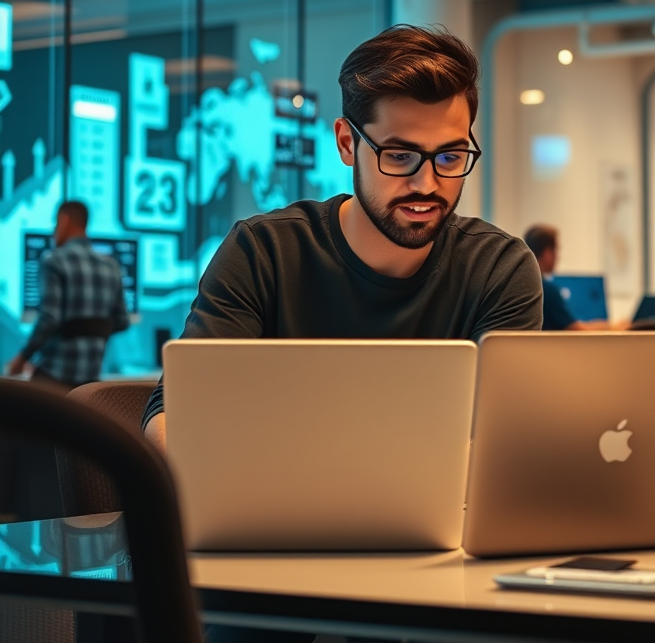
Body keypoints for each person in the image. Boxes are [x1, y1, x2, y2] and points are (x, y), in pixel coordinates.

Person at [142, 24, 543, 454]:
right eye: (400, 156)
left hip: (439, 519)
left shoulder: (499, 268)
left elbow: (501, 440)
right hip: (271, 515)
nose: (427, 183)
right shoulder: (265, 252)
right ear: (347, 143)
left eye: (449, 156)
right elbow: (172, 413)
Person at [5, 201, 129, 390]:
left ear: (64, 221)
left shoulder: (54, 261)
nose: (54, 231)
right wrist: (92, 333)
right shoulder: (111, 266)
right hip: (90, 384)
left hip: (56, 378)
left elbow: (49, 319)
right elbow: (122, 320)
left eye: (55, 224)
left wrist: (21, 358)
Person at [523, 224, 628, 331]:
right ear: (547, 253)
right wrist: (613, 327)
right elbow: (577, 329)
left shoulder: (525, 285)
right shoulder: (546, 289)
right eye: (556, 250)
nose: (558, 256)